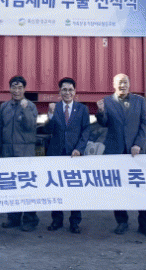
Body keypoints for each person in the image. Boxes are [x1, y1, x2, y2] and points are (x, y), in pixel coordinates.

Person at [96, 73, 146, 238]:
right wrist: (100, 111)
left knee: (141, 188)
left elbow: (145, 123)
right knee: (118, 188)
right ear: (113, 85)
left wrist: (138, 144)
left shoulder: (139, 101)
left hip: (135, 151)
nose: (123, 85)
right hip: (115, 150)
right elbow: (104, 123)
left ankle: (144, 224)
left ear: (129, 84)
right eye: (119, 83)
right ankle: (122, 221)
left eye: (125, 82)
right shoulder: (107, 101)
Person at [44, 77, 90, 234]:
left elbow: (86, 131)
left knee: (75, 189)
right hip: (56, 154)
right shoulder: (54, 108)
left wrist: (79, 149)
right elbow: (48, 130)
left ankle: (75, 222)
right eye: (64, 89)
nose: (67, 92)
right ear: (59, 91)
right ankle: (56, 220)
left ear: (75, 91)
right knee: (56, 188)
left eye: (70, 89)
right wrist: (50, 115)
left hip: (74, 154)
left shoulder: (82, 109)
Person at [0, 75, 39, 232]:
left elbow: (30, 126)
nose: (17, 90)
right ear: (9, 89)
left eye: (20, 87)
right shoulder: (4, 107)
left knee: (27, 188)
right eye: (14, 87)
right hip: (8, 152)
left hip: (25, 152)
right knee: (11, 187)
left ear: (24, 89)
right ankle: (13, 219)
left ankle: (30, 219)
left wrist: (25, 109)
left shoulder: (30, 106)